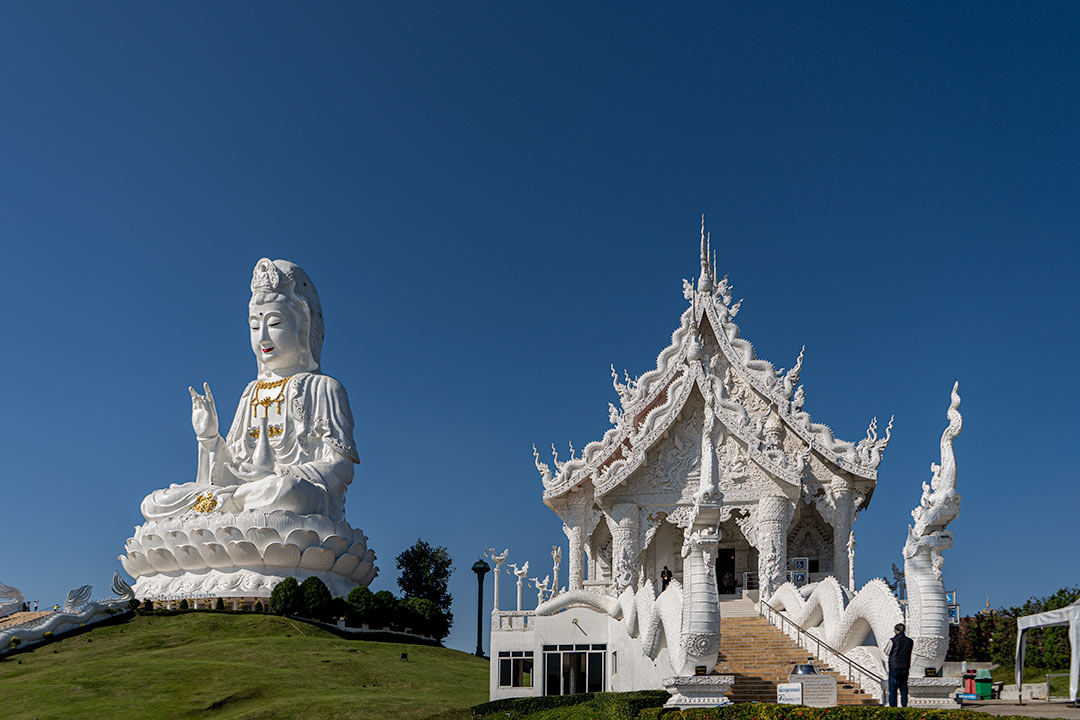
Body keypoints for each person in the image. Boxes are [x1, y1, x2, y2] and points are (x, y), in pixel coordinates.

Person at [883, 622, 913, 707]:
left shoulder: (892, 640)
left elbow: (886, 651)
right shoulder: (910, 641)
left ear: (895, 631)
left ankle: (893, 706)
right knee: (904, 687)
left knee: (893, 688)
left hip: (894, 667)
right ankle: (904, 704)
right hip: (905, 666)